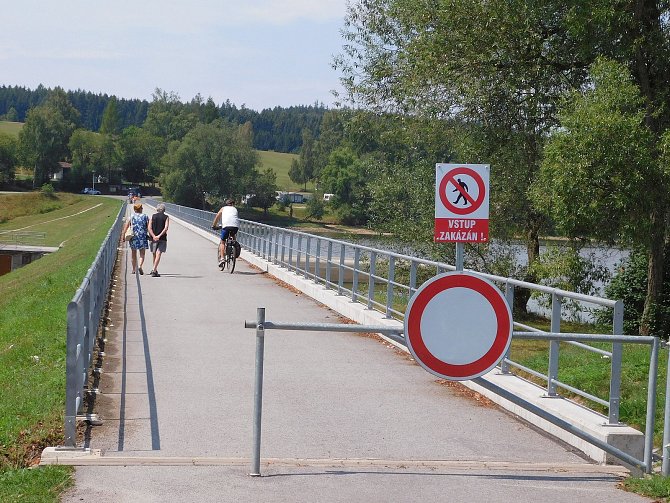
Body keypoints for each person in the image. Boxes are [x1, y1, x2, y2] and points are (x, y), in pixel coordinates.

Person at [122, 203, 149, 275]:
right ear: (141, 209)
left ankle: (134, 269)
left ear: (135, 209)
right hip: (142, 237)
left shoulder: (131, 216)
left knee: (133, 253)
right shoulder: (145, 216)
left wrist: (123, 236)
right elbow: (149, 227)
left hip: (133, 237)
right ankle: (140, 266)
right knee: (142, 253)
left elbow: (126, 226)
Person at [211, 198, 239, 267]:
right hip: (235, 227)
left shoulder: (223, 209)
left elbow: (217, 217)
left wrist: (214, 225)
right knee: (233, 234)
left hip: (226, 226)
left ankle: (222, 258)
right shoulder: (235, 209)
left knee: (222, 241)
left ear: (226, 204)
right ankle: (234, 247)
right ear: (233, 204)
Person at [148, 203, 170, 277]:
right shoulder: (166, 217)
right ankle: (154, 270)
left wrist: (154, 236)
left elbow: (149, 228)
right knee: (159, 253)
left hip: (153, 238)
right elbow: (166, 228)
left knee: (154, 253)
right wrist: (159, 236)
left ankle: (154, 269)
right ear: (164, 210)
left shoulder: (153, 216)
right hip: (162, 238)